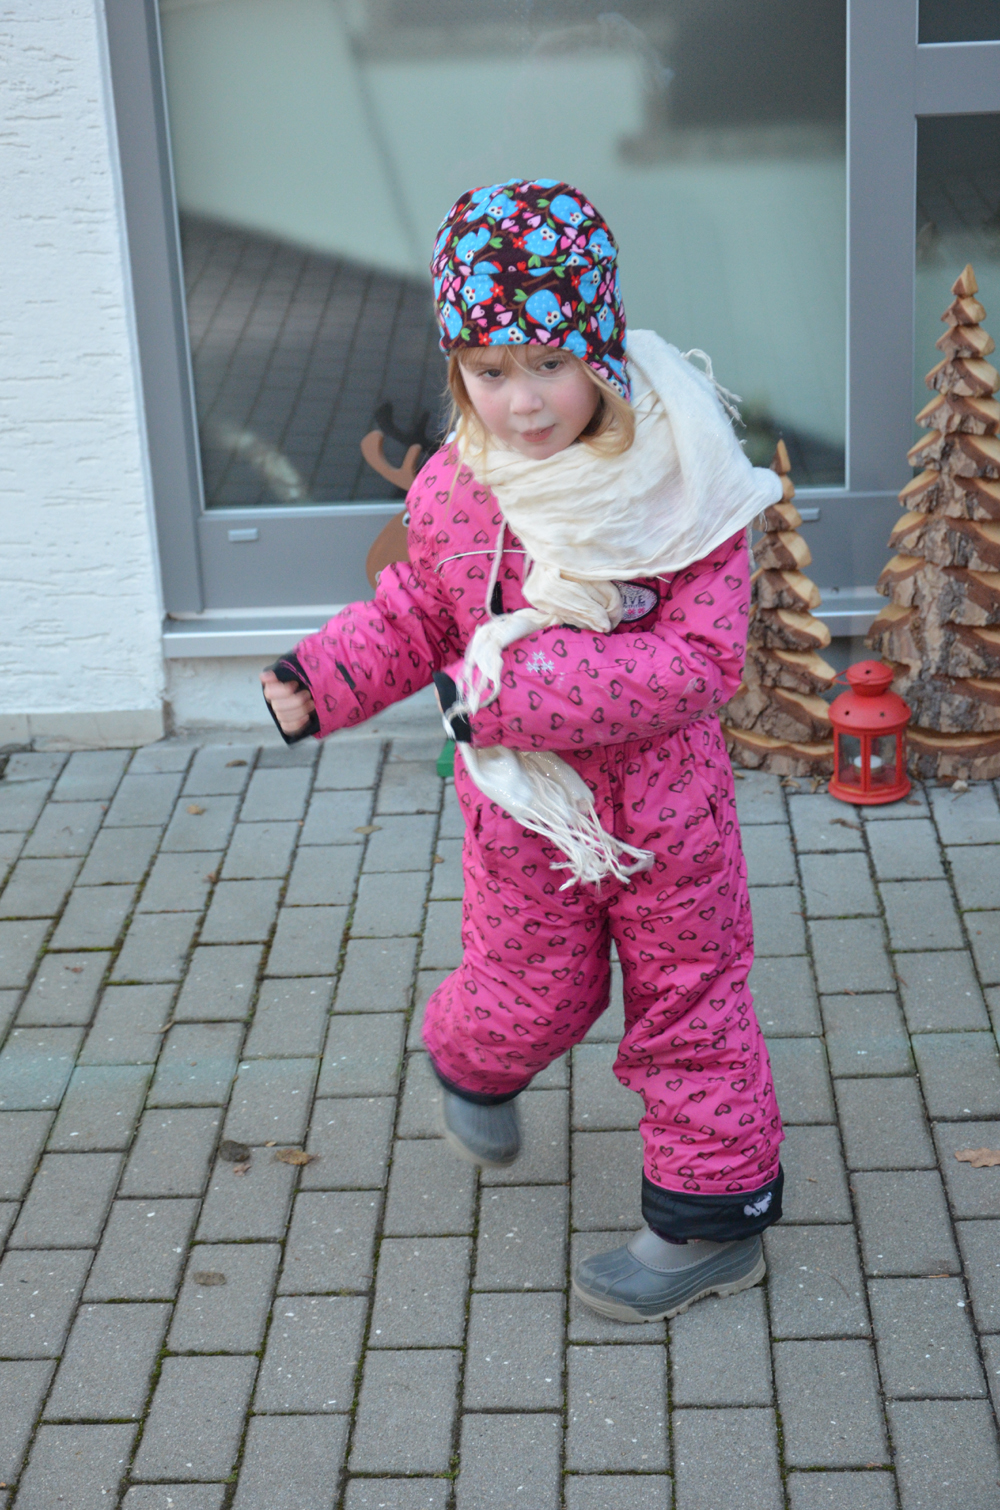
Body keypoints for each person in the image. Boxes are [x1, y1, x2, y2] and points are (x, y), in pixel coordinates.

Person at [261, 178, 785, 1323]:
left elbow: (699, 662)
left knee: (690, 1005)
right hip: (523, 820)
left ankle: (709, 1223)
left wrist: (507, 693)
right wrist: (321, 676)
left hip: (668, 821)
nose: (523, 400)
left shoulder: (679, 481)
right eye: (489, 371)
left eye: (548, 362)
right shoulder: (459, 484)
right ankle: (470, 1060)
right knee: (527, 988)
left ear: (597, 348)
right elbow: (419, 610)